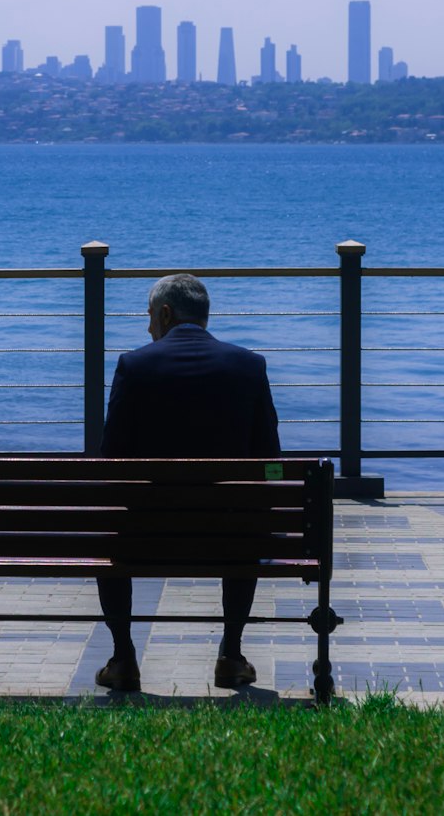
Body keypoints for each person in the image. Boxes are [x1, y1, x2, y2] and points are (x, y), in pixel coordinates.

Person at [95, 271, 280, 693]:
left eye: (148, 316)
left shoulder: (133, 366)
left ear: (164, 313)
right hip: (232, 536)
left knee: (109, 532)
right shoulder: (249, 366)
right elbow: (270, 458)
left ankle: (123, 659)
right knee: (246, 518)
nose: (147, 328)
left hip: (145, 537)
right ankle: (231, 655)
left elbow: (112, 458)